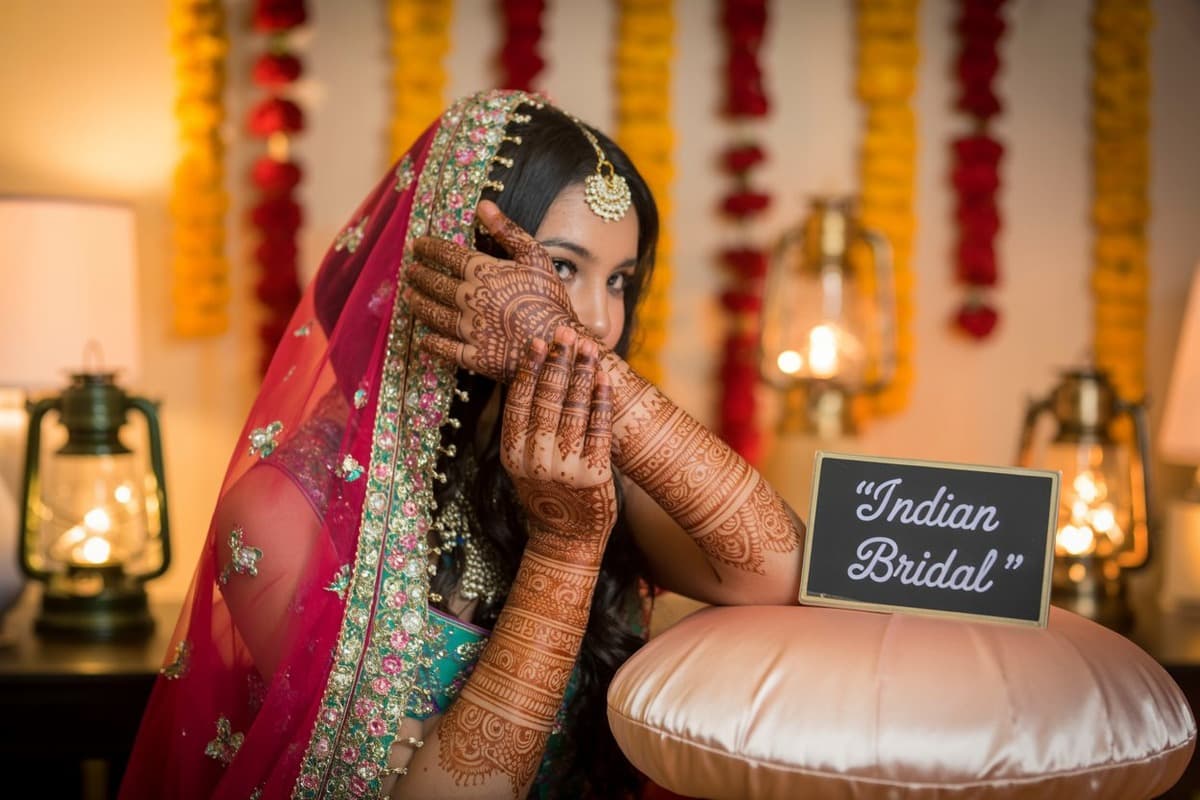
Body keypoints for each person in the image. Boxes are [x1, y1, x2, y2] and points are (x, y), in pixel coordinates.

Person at [119, 89, 804, 800]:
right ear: (454, 268)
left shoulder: (582, 459)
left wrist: (573, 360)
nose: (600, 320)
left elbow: (784, 574)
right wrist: (564, 551)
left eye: (620, 281)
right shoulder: (283, 513)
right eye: (562, 269)